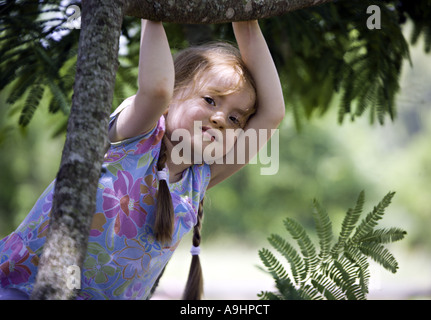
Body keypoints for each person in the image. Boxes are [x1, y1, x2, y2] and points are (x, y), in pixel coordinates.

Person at [0, 19, 285, 300]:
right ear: (174, 95)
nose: (221, 118)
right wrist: (153, 13)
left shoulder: (198, 178)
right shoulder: (137, 136)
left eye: (236, 118)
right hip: (22, 285)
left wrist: (247, 21)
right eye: (210, 100)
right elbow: (156, 90)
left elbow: (272, 114)